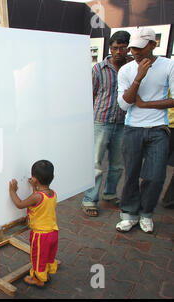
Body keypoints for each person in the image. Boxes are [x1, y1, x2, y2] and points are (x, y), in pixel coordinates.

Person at [116, 27, 174, 233]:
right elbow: (124, 104)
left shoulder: (169, 65)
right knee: (131, 174)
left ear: (153, 45)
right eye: (133, 48)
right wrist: (139, 77)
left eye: (141, 48)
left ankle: (146, 213)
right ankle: (129, 214)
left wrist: (146, 104)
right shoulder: (127, 70)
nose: (136, 53)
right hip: (133, 129)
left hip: (159, 129)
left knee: (155, 175)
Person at [81, 31, 131, 217]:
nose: (118, 51)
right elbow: (89, 95)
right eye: (115, 48)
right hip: (101, 121)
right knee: (95, 162)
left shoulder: (132, 68)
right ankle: (90, 199)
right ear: (110, 48)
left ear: (127, 48)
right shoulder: (99, 69)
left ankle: (110, 194)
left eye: (122, 48)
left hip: (123, 122)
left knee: (117, 164)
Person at [9, 160, 59, 287]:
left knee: (38, 258)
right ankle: (46, 273)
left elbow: (20, 204)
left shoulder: (36, 196)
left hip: (41, 235)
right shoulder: (52, 194)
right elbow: (38, 202)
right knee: (47, 256)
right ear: (52, 177)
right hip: (53, 233)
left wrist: (12, 191)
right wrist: (34, 187)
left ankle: (38, 279)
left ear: (35, 179)